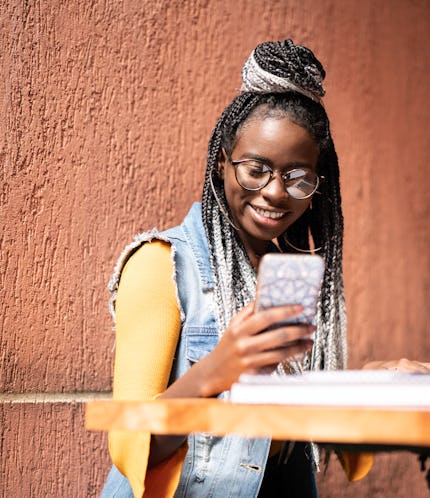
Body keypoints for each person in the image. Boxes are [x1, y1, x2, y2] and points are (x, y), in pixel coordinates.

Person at [99, 39, 373, 498]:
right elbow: (131, 442)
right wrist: (217, 371)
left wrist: (390, 382)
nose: (275, 193)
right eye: (256, 169)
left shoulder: (293, 279)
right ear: (223, 163)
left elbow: (342, 447)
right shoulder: (161, 264)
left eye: (297, 176)